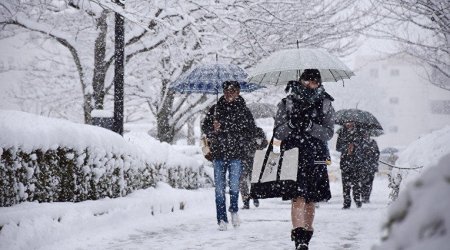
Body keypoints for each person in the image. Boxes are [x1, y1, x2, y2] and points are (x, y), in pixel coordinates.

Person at [273, 69, 334, 250]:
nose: (309, 84)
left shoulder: (325, 103)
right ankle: (299, 237)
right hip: (293, 155)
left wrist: (310, 126)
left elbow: (328, 133)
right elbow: (277, 132)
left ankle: (306, 237)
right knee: (297, 197)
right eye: (306, 81)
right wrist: (291, 124)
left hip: (316, 155)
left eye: (314, 81)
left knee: (310, 199)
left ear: (319, 83)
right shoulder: (287, 103)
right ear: (300, 81)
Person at [201, 80, 257, 231]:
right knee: (219, 189)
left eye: (232, 91)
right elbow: (205, 127)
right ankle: (221, 219)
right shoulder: (215, 109)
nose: (228, 94)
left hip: (236, 154)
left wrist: (228, 129)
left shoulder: (244, 111)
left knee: (233, 187)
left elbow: (251, 131)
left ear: (238, 92)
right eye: (226, 91)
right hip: (218, 154)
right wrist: (213, 128)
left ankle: (234, 210)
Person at [336, 122, 366, 209]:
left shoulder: (359, 133)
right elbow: (338, 147)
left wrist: (355, 146)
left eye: (350, 123)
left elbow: (362, 146)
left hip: (356, 163)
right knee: (345, 184)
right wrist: (347, 147)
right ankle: (346, 202)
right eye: (347, 123)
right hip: (345, 162)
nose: (348, 125)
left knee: (356, 183)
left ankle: (357, 200)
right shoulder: (342, 133)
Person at [240, 126, 268, 209]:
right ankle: (246, 201)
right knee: (243, 180)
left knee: (251, 179)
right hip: (244, 158)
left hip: (253, 158)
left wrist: (258, 146)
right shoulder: (241, 130)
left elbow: (265, 143)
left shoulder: (258, 130)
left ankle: (253, 197)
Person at [360, 134, 380, 203]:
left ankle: (367, 197)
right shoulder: (360, 142)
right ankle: (363, 196)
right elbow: (358, 153)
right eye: (364, 134)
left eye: (367, 134)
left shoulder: (373, 142)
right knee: (363, 182)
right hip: (363, 166)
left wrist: (372, 152)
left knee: (370, 182)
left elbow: (377, 153)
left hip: (372, 166)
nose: (366, 135)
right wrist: (365, 153)